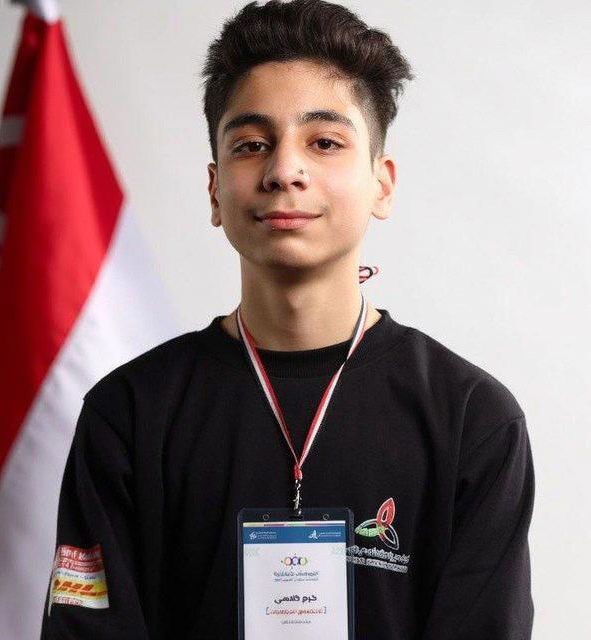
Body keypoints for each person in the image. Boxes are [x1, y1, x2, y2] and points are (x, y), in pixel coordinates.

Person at [40, 1, 535, 638]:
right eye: (252, 145)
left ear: (382, 184)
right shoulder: (129, 413)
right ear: (216, 190)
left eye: (324, 142)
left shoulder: (473, 421)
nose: (284, 171)